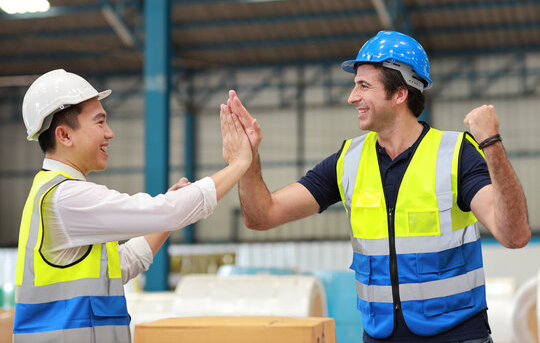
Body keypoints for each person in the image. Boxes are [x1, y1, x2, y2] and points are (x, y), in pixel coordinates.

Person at [227, 31, 530, 342]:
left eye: (364, 86)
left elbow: (515, 235)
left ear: (400, 93)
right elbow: (261, 216)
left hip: (457, 337)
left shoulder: (456, 155)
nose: (352, 97)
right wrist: (247, 159)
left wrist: (490, 144)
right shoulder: (348, 161)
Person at [13, 69, 251, 342]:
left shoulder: (51, 193)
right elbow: (168, 211)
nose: (110, 133)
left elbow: (122, 264)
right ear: (64, 135)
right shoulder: (65, 197)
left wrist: (163, 222)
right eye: (100, 122)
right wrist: (238, 164)